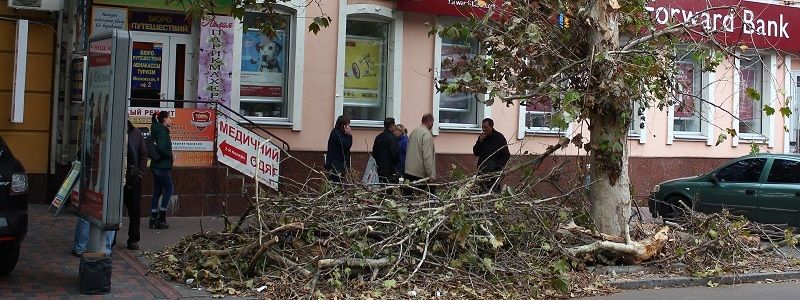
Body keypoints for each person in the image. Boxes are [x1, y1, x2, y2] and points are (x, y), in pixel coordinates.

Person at [123, 120, 147, 249]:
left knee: (135, 210)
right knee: (113, 210)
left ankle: (133, 239)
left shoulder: (136, 133)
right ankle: (110, 239)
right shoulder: (113, 131)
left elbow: (143, 154)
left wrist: (140, 174)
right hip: (117, 178)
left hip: (133, 179)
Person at [473, 118, 511, 193]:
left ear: (491, 127)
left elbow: (506, 155)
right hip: (482, 170)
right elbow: (476, 153)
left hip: (494, 172)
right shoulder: (482, 138)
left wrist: (496, 166)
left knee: (493, 191)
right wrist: (479, 141)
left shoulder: (499, 138)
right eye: (483, 127)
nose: (484, 129)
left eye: (486, 127)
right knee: (480, 191)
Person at [150, 111, 174, 229]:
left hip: (156, 165)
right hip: (162, 166)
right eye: (170, 118)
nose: (171, 120)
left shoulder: (157, 129)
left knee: (157, 192)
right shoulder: (162, 131)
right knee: (169, 189)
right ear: (164, 120)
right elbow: (161, 148)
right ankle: (161, 217)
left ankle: (153, 217)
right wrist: (169, 155)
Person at [404, 114, 437, 196]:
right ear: (429, 122)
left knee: (408, 197)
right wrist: (431, 175)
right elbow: (427, 156)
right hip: (420, 173)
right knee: (428, 196)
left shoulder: (414, 132)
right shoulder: (427, 135)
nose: (433, 125)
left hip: (409, 170)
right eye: (433, 122)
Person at [325, 115, 352, 188]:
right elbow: (346, 145)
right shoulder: (336, 133)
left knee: (339, 185)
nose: (348, 127)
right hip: (336, 164)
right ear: (343, 125)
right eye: (347, 124)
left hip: (340, 164)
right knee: (335, 184)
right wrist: (349, 135)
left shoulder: (339, 133)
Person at [372, 118, 401, 185]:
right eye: (394, 125)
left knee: (382, 187)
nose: (394, 127)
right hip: (390, 169)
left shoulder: (378, 137)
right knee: (390, 188)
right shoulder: (392, 138)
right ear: (391, 126)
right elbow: (394, 155)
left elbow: (374, 153)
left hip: (380, 168)